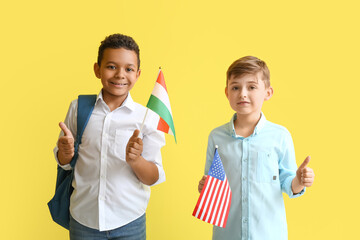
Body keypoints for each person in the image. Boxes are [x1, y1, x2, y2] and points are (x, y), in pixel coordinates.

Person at [54, 33, 165, 240]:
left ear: (138, 74)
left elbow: (152, 177)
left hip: (129, 221)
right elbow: (64, 163)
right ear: (97, 69)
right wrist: (65, 153)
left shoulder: (146, 118)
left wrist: (136, 160)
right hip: (84, 219)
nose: (120, 75)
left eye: (129, 69)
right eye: (111, 66)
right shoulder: (78, 108)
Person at [197, 56, 315, 240]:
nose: (243, 93)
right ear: (227, 93)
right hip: (227, 234)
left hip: (269, 234)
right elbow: (210, 182)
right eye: (235, 87)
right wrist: (204, 186)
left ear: (268, 92)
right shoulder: (216, 136)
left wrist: (299, 181)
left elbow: (287, 182)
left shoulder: (280, 136)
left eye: (251, 87)